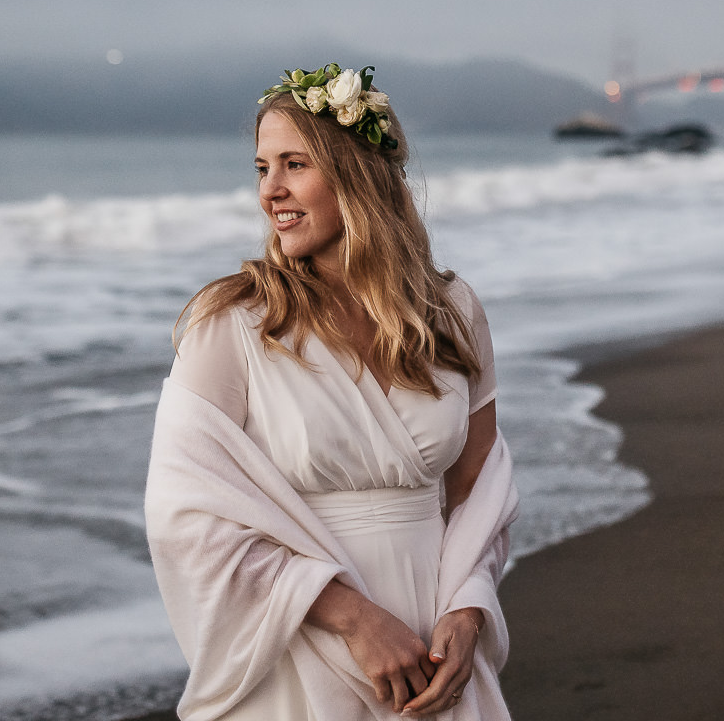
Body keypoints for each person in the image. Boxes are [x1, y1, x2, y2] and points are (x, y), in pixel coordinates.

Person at [145, 64, 518, 720]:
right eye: (262, 168)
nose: (271, 190)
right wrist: (350, 617)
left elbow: (477, 487)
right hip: (305, 640)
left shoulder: (452, 311)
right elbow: (185, 515)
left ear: (359, 174)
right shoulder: (233, 324)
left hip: (436, 642)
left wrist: (469, 604)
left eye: (294, 164)